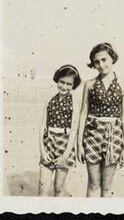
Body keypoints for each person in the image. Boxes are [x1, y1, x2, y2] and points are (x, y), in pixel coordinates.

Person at [77, 43, 124, 197]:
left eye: (104, 59)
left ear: (112, 58)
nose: (101, 65)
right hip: (92, 135)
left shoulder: (123, 85)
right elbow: (83, 113)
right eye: (96, 62)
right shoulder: (90, 84)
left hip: (114, 136)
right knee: (93, 184)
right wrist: (79, 144)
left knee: (106, 187)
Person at [39, 64, 81, 197]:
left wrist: (65, 156)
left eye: (69, 84)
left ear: (73, 85)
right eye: (62, 82)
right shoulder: (49, 100)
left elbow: (74, 130)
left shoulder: (75, 102)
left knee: (58, 187)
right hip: (48, 143)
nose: (64, 86)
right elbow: (42, 127)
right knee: (42, 187)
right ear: (57, 79)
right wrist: (42, 151)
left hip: (65, 145)